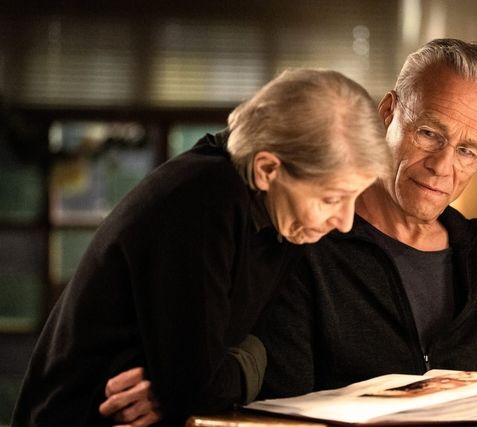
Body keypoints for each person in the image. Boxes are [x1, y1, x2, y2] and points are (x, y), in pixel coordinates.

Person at [98, 38, 477, 424]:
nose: (442, 166)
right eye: (429, 134)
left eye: (468, 151)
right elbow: (266, 395)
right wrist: (181, 386)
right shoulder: (301, 235)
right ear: (388, 112)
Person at [11, 68, 391, 427]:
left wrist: (215, 372)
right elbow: (196, 388)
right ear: (267, 169)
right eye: (332, 199)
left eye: (353, 198)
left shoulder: (288, 217)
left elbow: (278, 347)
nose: (344, 221)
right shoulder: (204, 198)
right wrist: (205, 378)